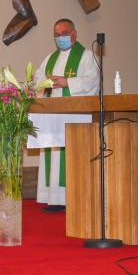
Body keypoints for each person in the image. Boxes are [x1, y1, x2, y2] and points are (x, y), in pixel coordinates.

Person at [32, 18, 99, 212]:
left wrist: (67, 82)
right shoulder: (50, 58)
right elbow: (37, 79)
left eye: (63, 34)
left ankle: (73, 196)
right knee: (53, 150)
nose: (59, 38)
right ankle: (54, 198)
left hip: (74, 115)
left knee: (70, 152)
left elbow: (93, 81)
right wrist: (47, 83)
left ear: (74, 34)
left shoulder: (86, 56)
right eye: (56, 35)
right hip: (53, 114)